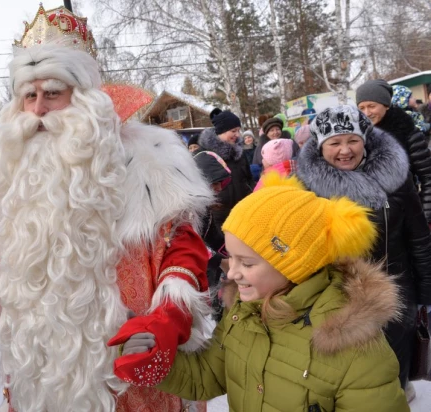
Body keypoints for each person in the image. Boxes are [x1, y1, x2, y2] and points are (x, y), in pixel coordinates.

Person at [0, 5, 213, 412]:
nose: (37, 109)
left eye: (52, 93)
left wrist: (171, 315)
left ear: (84, 96)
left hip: (125, 360)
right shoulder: (5, 170)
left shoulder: (145, 161)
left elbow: (182, 251)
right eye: (29, 96)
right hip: (39, 369)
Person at [109, 175, 408, 411]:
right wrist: (154, 362)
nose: (232, 272)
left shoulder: (355, 347)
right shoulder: (243, 314)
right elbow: (208, 376)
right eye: (232, 257)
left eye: (247, 263)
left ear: (294, 265)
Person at [296, 105, 431, 398]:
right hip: (338, 296)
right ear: (321, 147)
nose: (345, 150)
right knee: (352, 375)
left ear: (365, 140)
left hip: (396, 289)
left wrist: (425, 295)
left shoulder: (395, 177)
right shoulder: (307, 189)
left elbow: (418, 237)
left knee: (395, 366)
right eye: (334, 142)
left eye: (352, 140)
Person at [356, 79, 431, 223]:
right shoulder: (357, 137)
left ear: (386, 105)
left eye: (372, 106)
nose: (366, 113)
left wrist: (424, 214)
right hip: (372, 221)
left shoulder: (407, 132)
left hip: (407, 216)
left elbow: (428, 177)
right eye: (361, 108)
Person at [197, 108, 254, 229]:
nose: (238, 135)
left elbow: (249, 178)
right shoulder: (205, 155)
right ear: (221, 131)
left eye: (238, 130)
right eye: (233, 131)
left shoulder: (239, 153)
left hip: (244, 209)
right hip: (220, 215)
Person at [193, 150, 232, 320]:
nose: (218, 188)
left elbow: (213, 237)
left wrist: (233, 252)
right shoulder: (188, 209)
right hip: (196, 272)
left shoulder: (204, 206)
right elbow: (193, 244)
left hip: (209, 269)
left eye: (220, 182)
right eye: (214, 182)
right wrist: (221, 261)